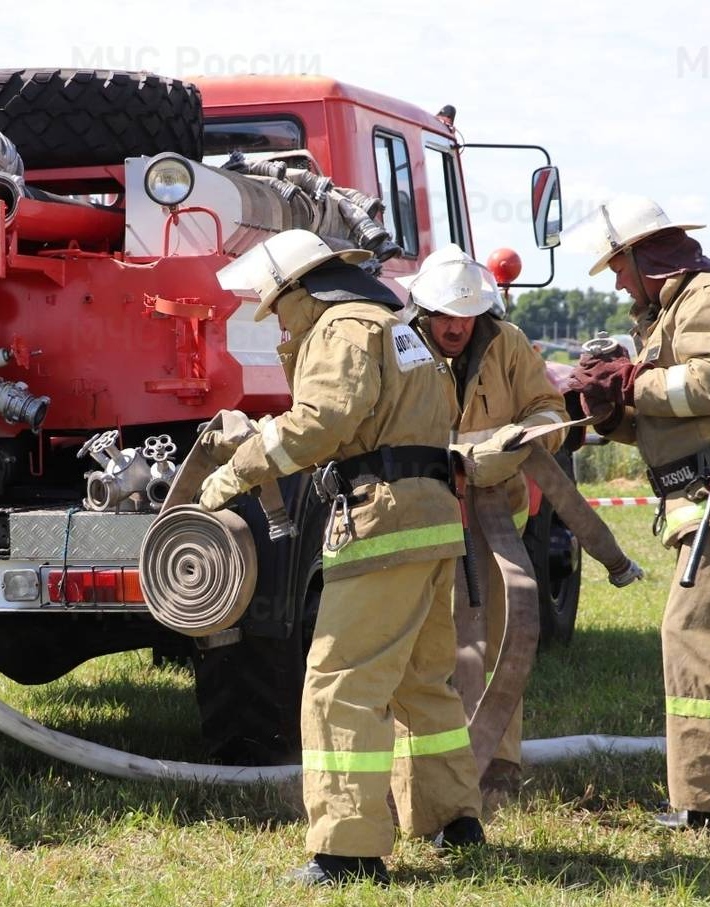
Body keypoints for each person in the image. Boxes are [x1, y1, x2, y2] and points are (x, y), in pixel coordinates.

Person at [204, 230, 482, 885]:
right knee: (421, 681)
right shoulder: (398, 327)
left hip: (381, 519)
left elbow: (321, 420)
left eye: (276, 306)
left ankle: (346, 851)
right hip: (432, 516)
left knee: (340, 684)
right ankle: (453, 820)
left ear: (299, 289)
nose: (277, 321)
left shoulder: (339, 327)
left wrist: (236, 471)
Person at [565, 196, 710, 831]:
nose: (617, 281)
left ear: (648, 256)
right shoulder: (673, 310)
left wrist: (629, 385)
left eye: (618, 266)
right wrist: (609, 412)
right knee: (694, 641)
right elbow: (679, 421)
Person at [399, 244, 565, 807]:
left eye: (467, 315)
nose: (457, 327)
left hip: (491, 517)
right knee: (423, 651)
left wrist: (514, 441)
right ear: (423, 311)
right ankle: (422, 772)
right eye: (446, 315)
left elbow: (549, 410)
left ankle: (497, 764)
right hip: (417, 520)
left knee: (497, 641)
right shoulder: (399, 344)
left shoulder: (508, 343)